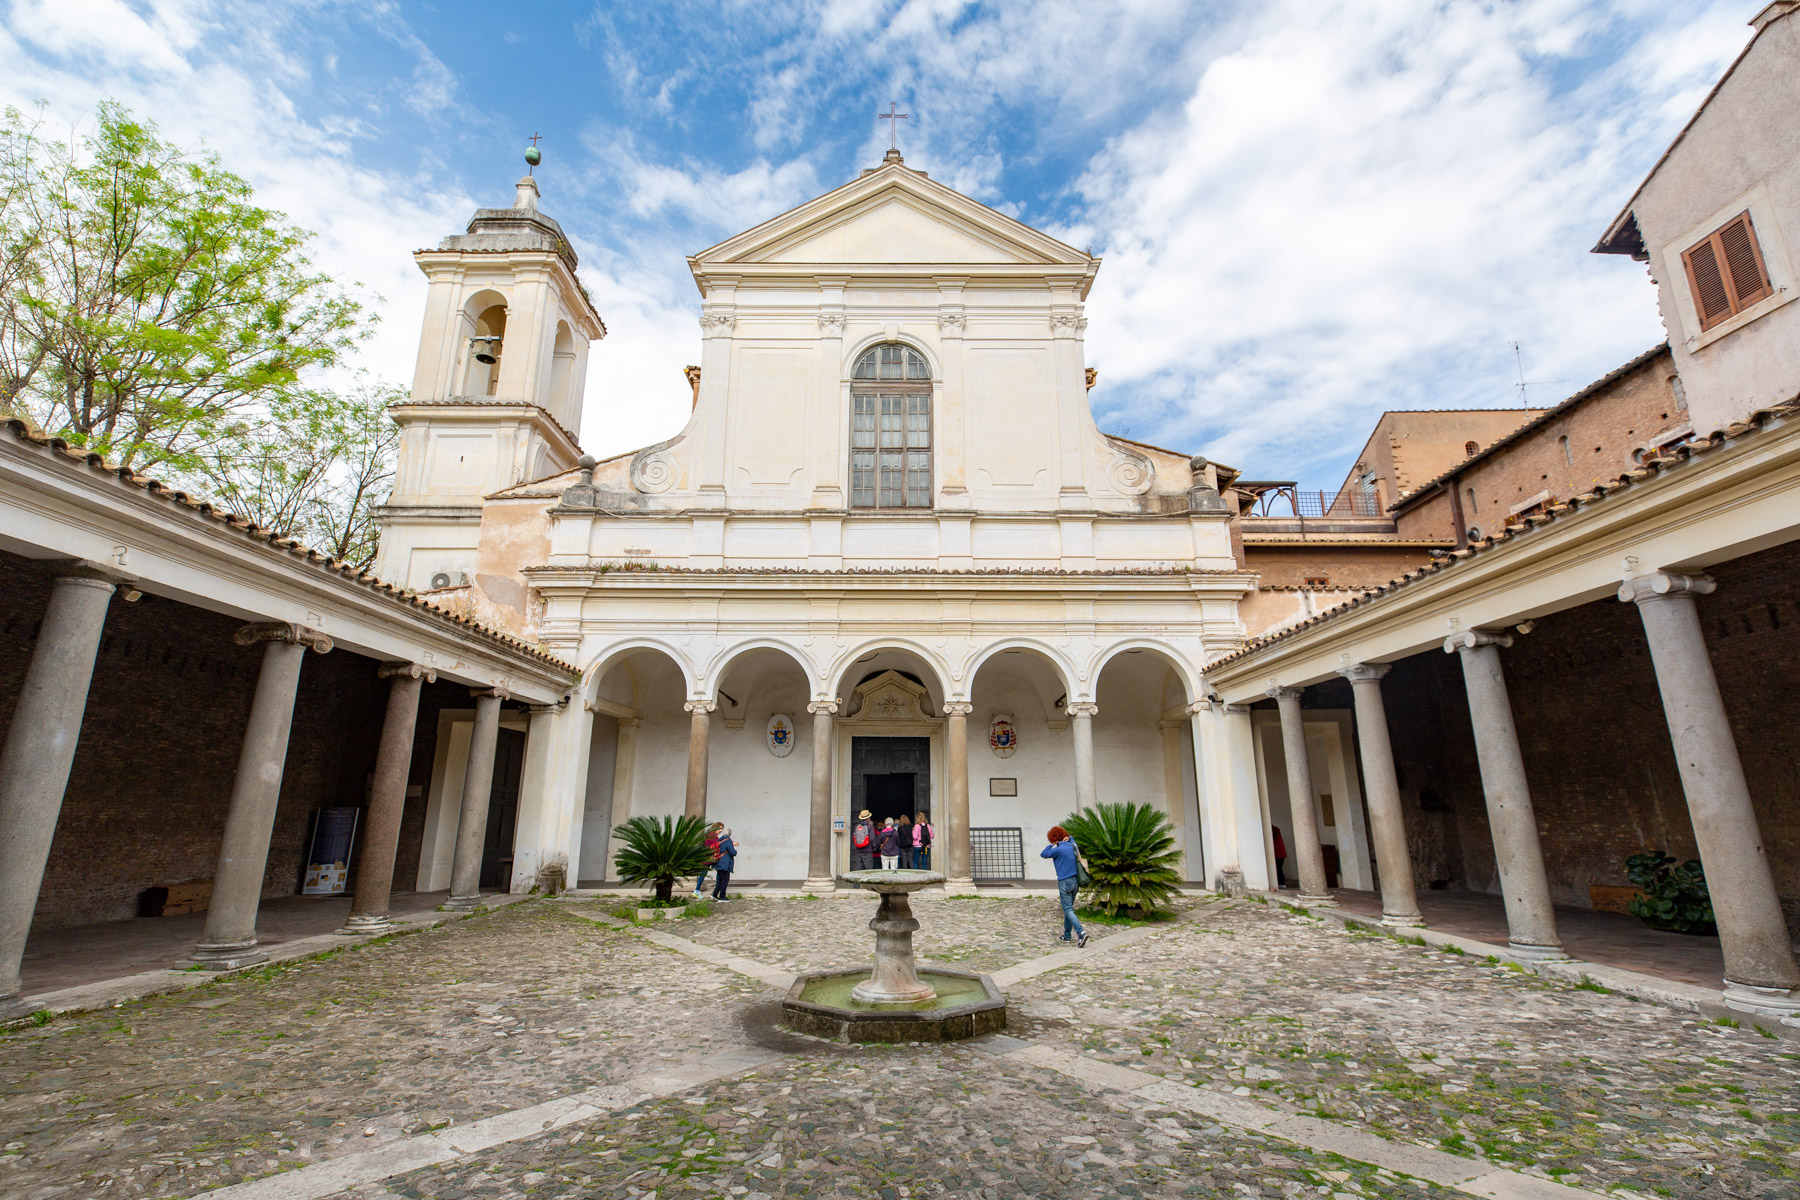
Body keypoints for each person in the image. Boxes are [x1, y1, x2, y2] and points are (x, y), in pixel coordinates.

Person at [1041, 826, 1087, 947]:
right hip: (1075, 881)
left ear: (1053, 838)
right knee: (1069, 909)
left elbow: (1043, 854)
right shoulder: (1072, 846)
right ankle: (1067, 935)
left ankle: (1081, 932)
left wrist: (1052, 845)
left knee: (1068, 910)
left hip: (1064, 882)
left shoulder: (1057, 850)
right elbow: (1073, 840)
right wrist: (1069, 838)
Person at [694, 821, 724, 898]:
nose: (721, 830)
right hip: (709, 858)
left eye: (722, 829)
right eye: (719, 828)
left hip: (709, 858)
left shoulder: (712, 835)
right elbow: (710, 846)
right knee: (717, 871)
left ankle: (698, 890)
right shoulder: (712, 835)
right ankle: (714, 891)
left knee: (704, 873)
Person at [711, 827, 737, 901]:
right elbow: (732, 852)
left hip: (719, 862)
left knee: (719, 880)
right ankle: (722, 896)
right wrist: (735, 851)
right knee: (725, 880)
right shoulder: (728, 841)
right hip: (725, 863)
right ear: (730, 834)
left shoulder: (720, 840)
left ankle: (715, 894)